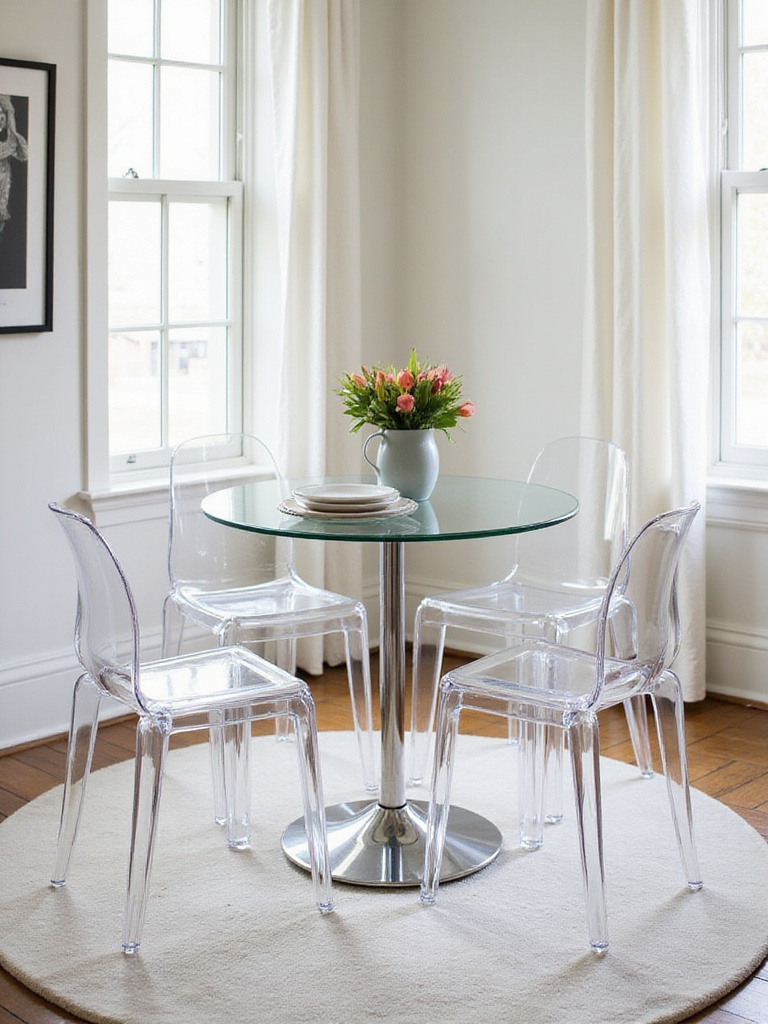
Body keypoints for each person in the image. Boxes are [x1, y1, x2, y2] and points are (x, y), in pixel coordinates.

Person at [0, 94, 29, 233]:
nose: (0, 119)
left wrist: (13, 131)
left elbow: (24, 155)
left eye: (2, 115)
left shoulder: (9, 144)